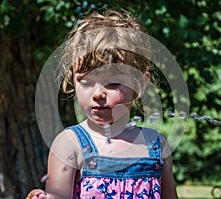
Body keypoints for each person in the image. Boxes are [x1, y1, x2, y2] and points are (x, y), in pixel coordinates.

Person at [27, 9, 178, 199]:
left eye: (113, 83)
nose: (98, 94)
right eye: (87, 82)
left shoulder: (156, 145)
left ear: (140, 84)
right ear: (74, 81)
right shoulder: (70, 144)